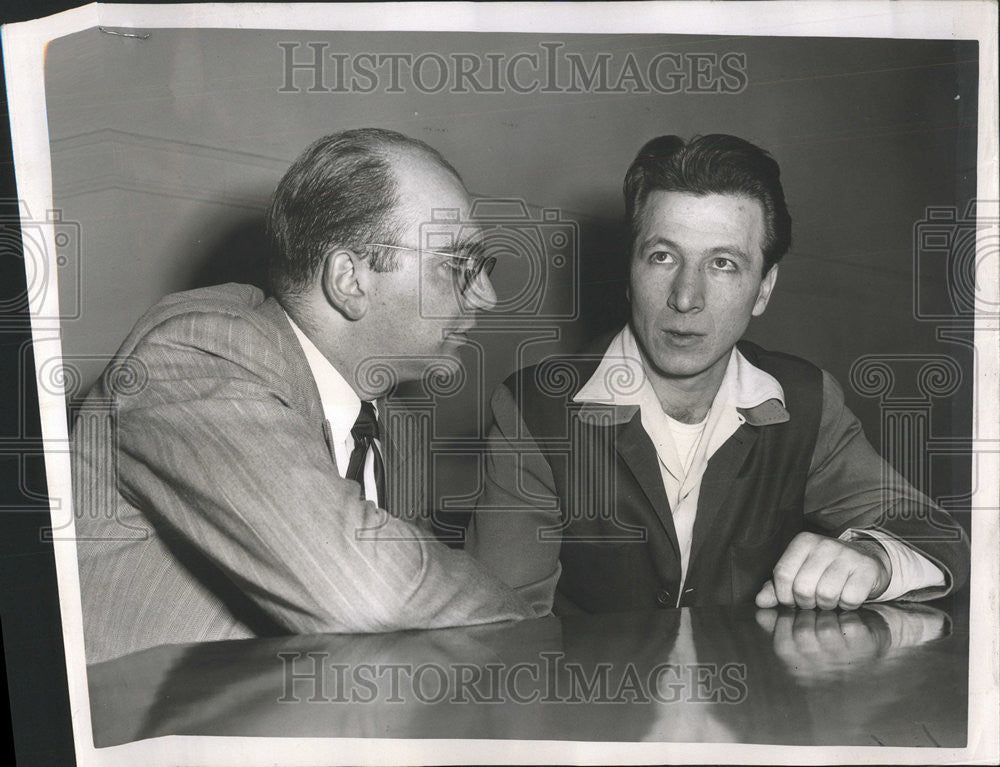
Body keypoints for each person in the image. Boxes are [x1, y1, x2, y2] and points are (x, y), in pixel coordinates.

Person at [72, 128, 538, 664]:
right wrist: (536, 632)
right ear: (350, 280)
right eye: (458, 265)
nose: (490, 296)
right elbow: (369, 592)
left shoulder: (397, 429)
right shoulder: (194, 353)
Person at [466, 133, 970, 615]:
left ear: (764, 288)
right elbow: (503, 629)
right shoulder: (534, 409)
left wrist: (876, 561)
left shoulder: (805, 401)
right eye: (663, 257)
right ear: (630, 270)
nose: (686, 298)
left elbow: (939, 535)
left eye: (724, 264)